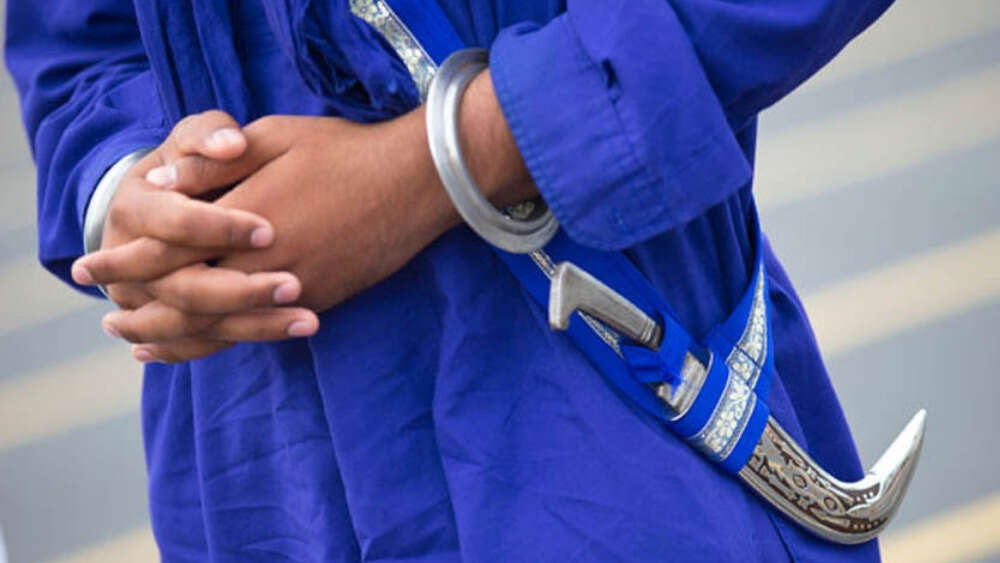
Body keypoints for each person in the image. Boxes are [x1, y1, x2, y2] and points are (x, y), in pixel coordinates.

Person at [6, 0, 895, 560]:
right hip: (262, 482)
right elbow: (82, 46)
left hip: (609, 442)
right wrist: (131, 188)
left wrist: (458, 155)